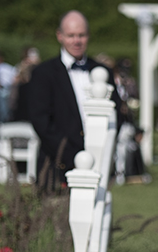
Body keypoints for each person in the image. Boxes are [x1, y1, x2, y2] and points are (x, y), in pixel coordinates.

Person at [29, 10, 111, 191]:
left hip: (98, 159)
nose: (77, 41)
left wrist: (103, 151)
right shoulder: (43, 73)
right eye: (71, 35)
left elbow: (115, 113)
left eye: (81, 35)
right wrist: (72, 156)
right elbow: (40, 121)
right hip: (56, 161)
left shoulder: (103, 71)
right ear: (60, 36)